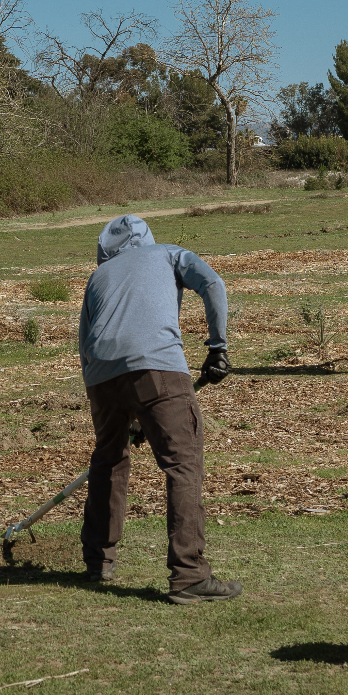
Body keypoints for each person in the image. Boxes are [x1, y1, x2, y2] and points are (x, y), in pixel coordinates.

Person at [77, 214, 239, 605]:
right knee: (183, 463)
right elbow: (213, 283)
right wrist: (218, 346)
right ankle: (189, 575)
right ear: (147, 238)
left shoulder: (97, 278)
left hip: (100, 376)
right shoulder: (167, 254)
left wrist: (123, 405)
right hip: (158, 367)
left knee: (108, 460)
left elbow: (84, 339)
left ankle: (98, 561)